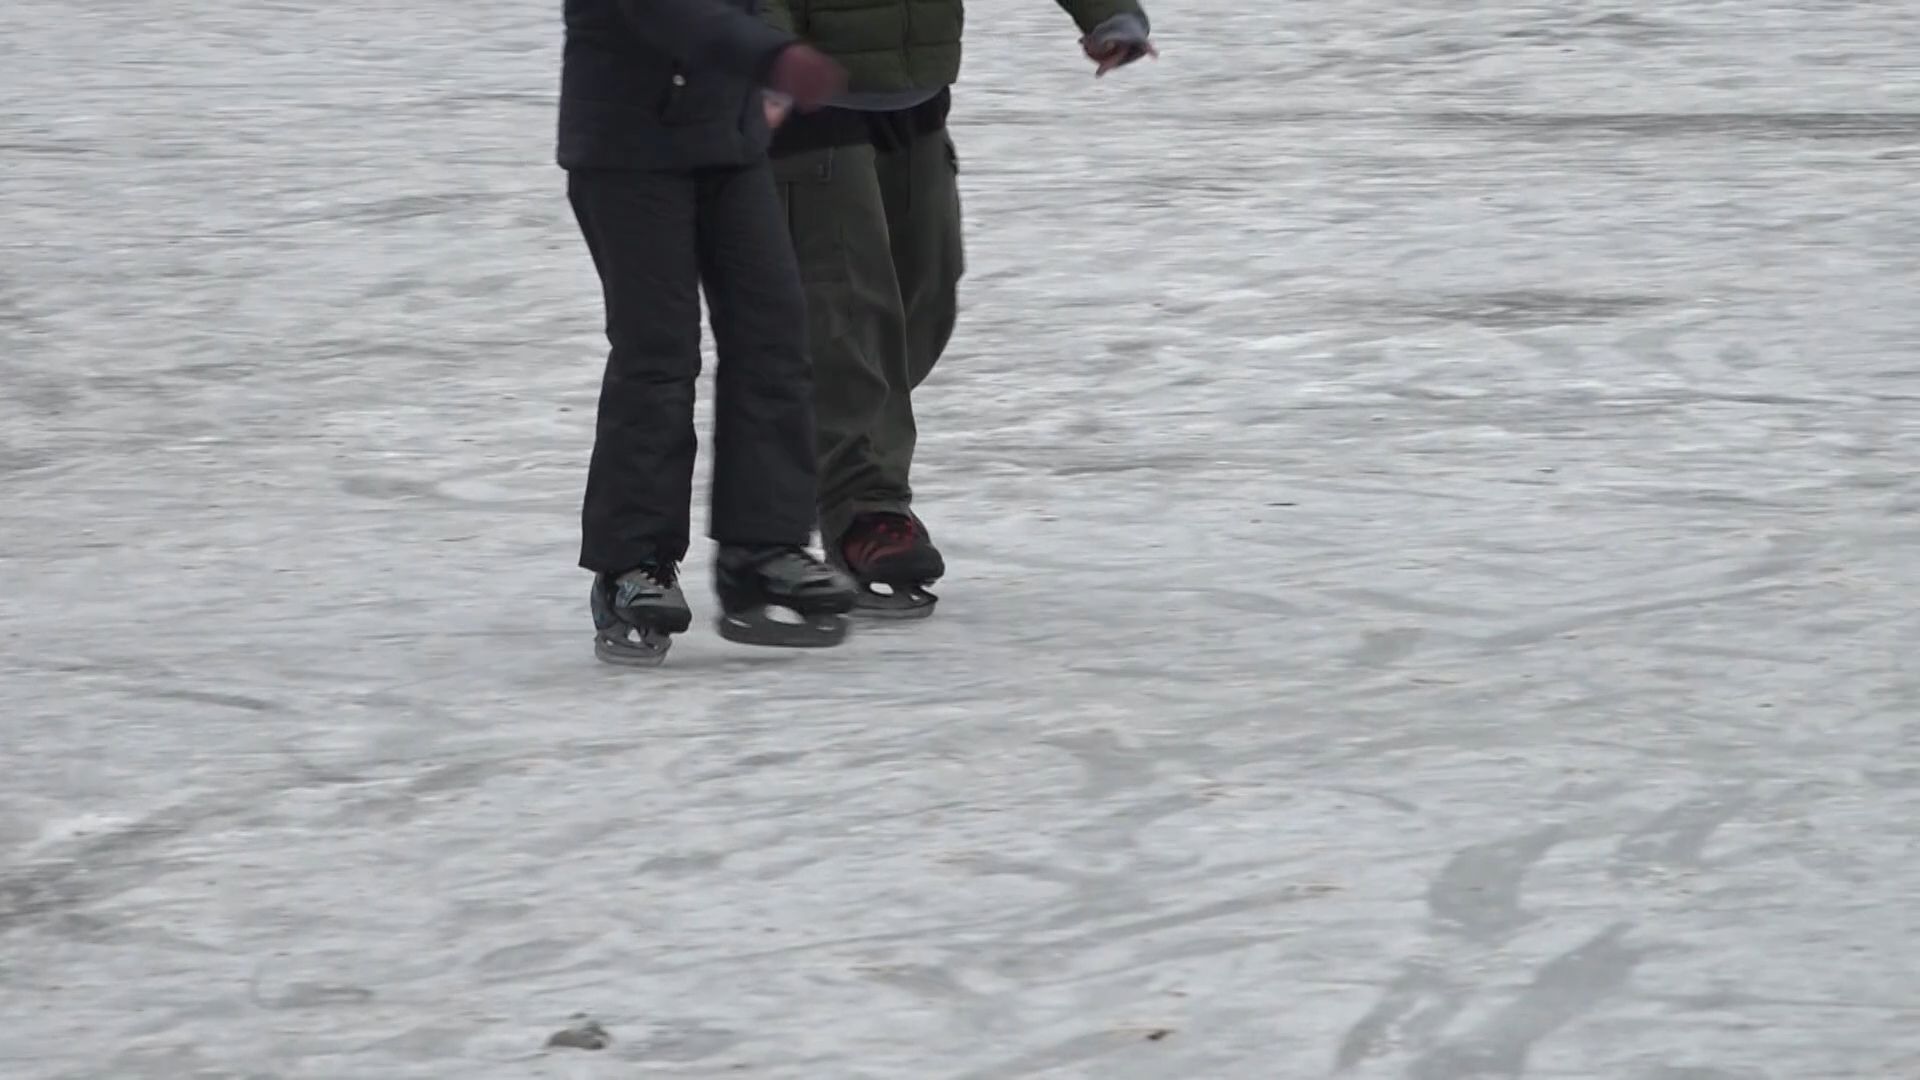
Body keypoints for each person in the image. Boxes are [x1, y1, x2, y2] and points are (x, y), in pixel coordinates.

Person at [758, 0, 1158, 618]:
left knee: (926, 295)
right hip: (811, 102)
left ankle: (847, 469)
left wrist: (1105, 14)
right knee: (845, 310)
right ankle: (865, 506)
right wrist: (771, 54)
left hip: (918, 94)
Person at [557, 0, 861, 665]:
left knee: (774, 337)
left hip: (729, 141)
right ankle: (631, 568)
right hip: (627, 148)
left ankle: (763, 551)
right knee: (658, 352)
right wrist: (774, 57)